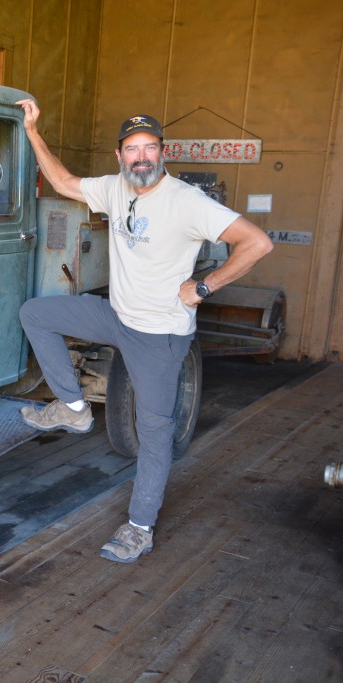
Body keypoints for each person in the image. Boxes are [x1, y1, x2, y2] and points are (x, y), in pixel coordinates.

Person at [15, 98, 273, 563]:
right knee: (37, 313)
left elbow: (257, 242)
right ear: (120, 156)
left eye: (149, 147)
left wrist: (204, 285)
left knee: (153, 433)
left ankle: (139, 527)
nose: (141, 156)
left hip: (159, 335)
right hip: (117, 315)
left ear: (163, 152)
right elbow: (62, 181)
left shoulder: (187, 202)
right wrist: (34, 131)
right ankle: (74, 408)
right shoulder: (116, 188)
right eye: (132, 148)